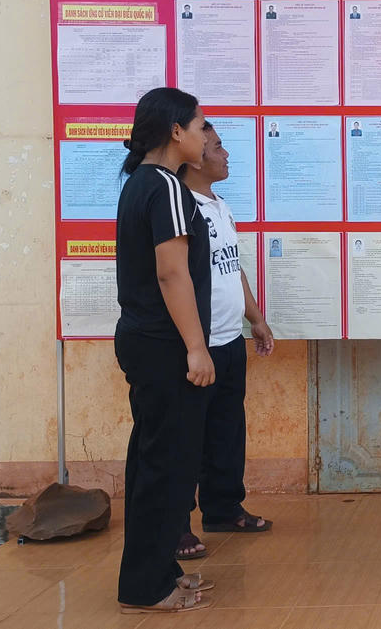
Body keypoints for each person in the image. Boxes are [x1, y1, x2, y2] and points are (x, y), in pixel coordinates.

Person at [113, 87, 214, 614]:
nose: (205, 137)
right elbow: (172, 273)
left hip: (145, 341)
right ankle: (145, 587)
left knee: (153, 461)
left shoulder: (141, 183)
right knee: (167, 466)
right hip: (165, 346)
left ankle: (156, 571)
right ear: (176, 132)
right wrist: (196, 349)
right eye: (200, 127)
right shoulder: (167, 187)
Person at [174, 123, 277, 563]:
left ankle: (223, 508)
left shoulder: (219, 205)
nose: (225, 153)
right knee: (185, 439)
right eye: (216, 145)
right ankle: (176, 523)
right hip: (198, 344)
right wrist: (195, 345)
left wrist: (254, 317)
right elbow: (172, 275)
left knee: (227, 431)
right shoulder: (181, 208)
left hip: (229, 338)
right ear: (194, 157)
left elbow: (231, 266)